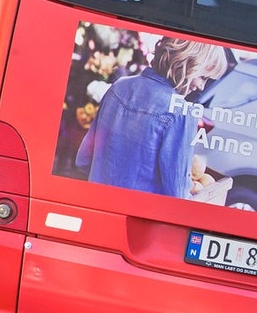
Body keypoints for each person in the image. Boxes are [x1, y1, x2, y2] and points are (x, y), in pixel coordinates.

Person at [75, 37, 228, 198]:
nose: (201, 87)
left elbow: (83, 160)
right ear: (186, 62)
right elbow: (178, 196)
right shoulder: (180, 112)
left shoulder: (119, 86)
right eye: (203, 77)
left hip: (96, 204)